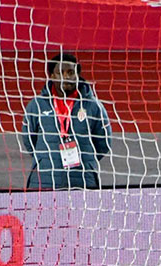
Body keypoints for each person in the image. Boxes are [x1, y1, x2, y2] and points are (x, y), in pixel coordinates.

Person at [19, 52, 113, 190]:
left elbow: (103, 142)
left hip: (83, 180)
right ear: (52, 76)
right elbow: (29, 140)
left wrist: (86, 161)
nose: (66, 77)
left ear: (77, 75)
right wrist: (43, 159)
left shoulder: (93, 106)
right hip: (44, 179)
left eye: (70, 72)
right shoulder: (36, 105)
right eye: (60, 72)